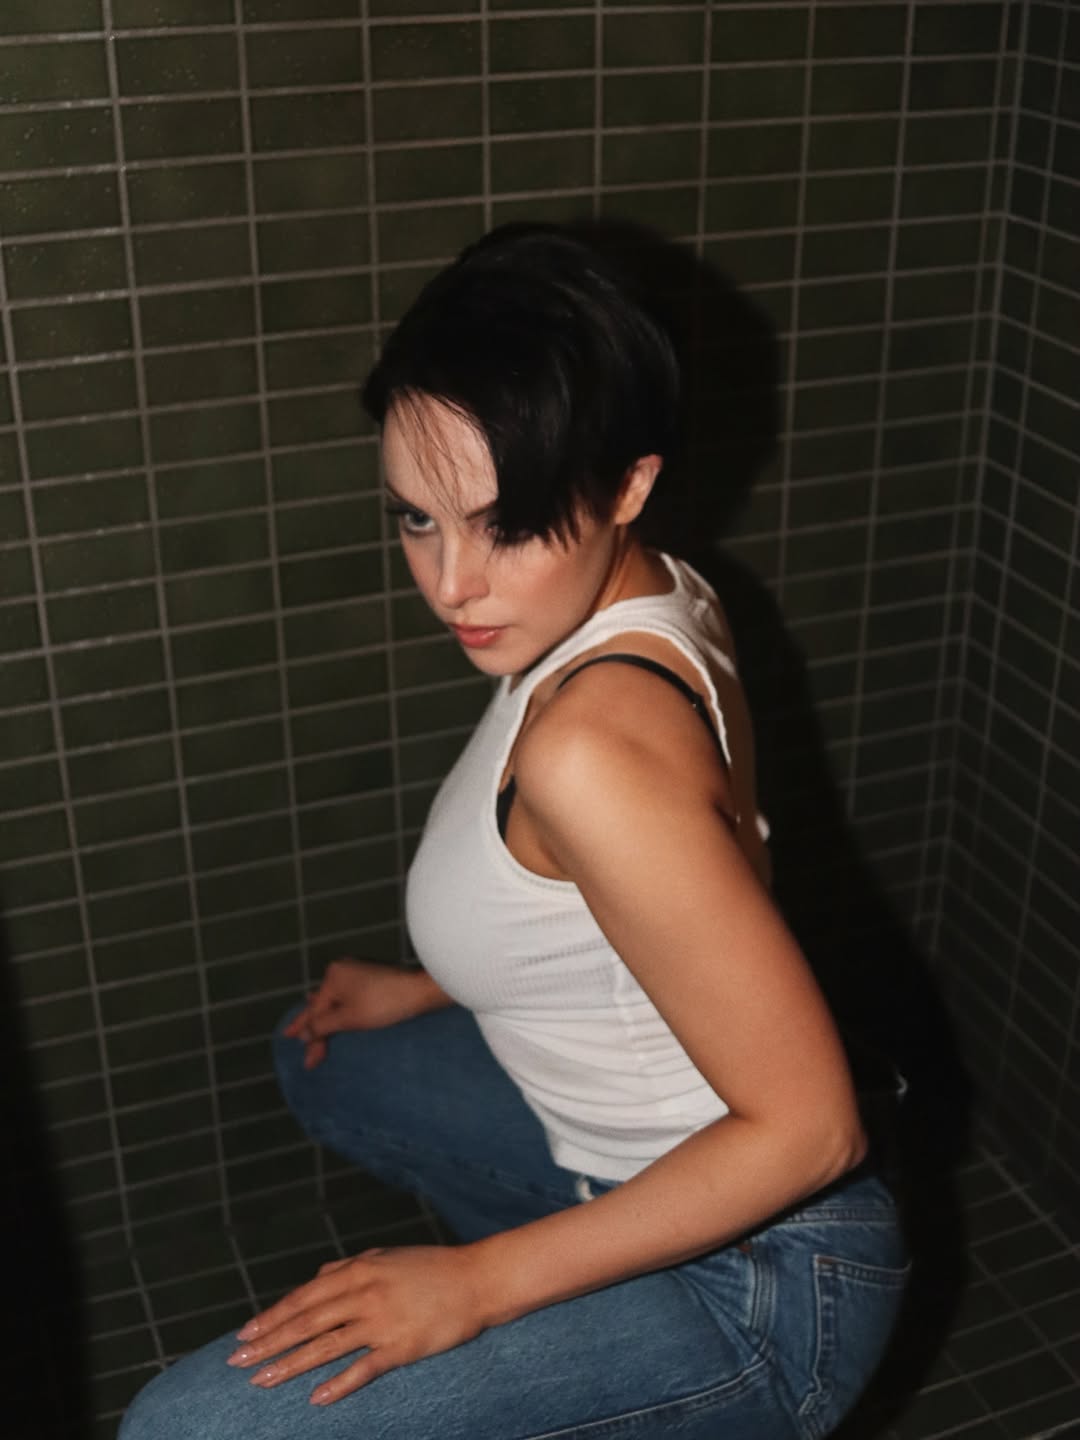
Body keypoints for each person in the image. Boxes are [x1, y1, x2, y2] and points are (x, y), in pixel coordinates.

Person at [120, 225, 906, 1440]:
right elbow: (609, 898)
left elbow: (815, 1127)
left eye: (505, 524)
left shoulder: (591, 749)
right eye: (416, 518)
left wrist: (476, 1289)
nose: (452, 584)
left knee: (189, 1432)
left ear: (628, 485)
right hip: (643, 1156)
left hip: (766, 1283)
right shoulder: (647, 588)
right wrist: (435, 983)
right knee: (328, 1057)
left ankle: (623, 1359)